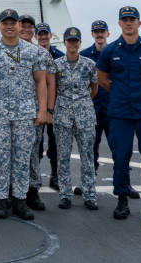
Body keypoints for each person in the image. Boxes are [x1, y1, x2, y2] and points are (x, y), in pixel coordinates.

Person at [0, 9, 49, 221]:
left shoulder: (33, 52)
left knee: (22, 158)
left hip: (25, 113)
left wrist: (42, 110)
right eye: (5, 22)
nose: (9, 26)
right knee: (0, 157)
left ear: (19, 26)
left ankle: (19, 199)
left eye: (13, 22)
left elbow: (40, 82)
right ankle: (1, 199)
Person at [97, 6, 141, 222]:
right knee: (120, 157)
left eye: (132, 19)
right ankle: (122, 200)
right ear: (119, 23)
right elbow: (102, 78)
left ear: (139, 23)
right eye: (124, 20)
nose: (128, 23)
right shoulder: (110, 51)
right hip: (119, 112)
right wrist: (120, 93)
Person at [82, 20, 140, 200]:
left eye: (102, 31)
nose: (99, 34)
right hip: (92, 109)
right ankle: (89, 183)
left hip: (114, 109)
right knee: (90, 148)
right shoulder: (84, 56)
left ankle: (125, 182)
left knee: (120, 148)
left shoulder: (116, 53)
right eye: (96, 32)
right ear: (92, 34)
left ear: (108, 33)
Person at [51, 27, 98, 210]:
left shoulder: (89, 64)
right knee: (63, 157)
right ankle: (65, 194)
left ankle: (90, 195)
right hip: (62, 116)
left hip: (85, 116)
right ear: (64, 43)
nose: (73, 44)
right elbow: (52, 88)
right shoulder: (57, 65)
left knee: (87, 157)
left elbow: (94, 88)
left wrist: (82, 102)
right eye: (70, 41)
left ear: (79, 43)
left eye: (75, 41)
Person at [28, 23, 62, 207]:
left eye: (45, 34)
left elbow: (54, 83)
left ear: (50, 35)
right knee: (36, 147)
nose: (42, 37)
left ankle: (55, 176)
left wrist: (50, 109)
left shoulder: (57, 56)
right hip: (32, 108)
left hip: (52, 106)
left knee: (55, 142)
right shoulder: (29, 52)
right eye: (39, 34)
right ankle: (35, 180)